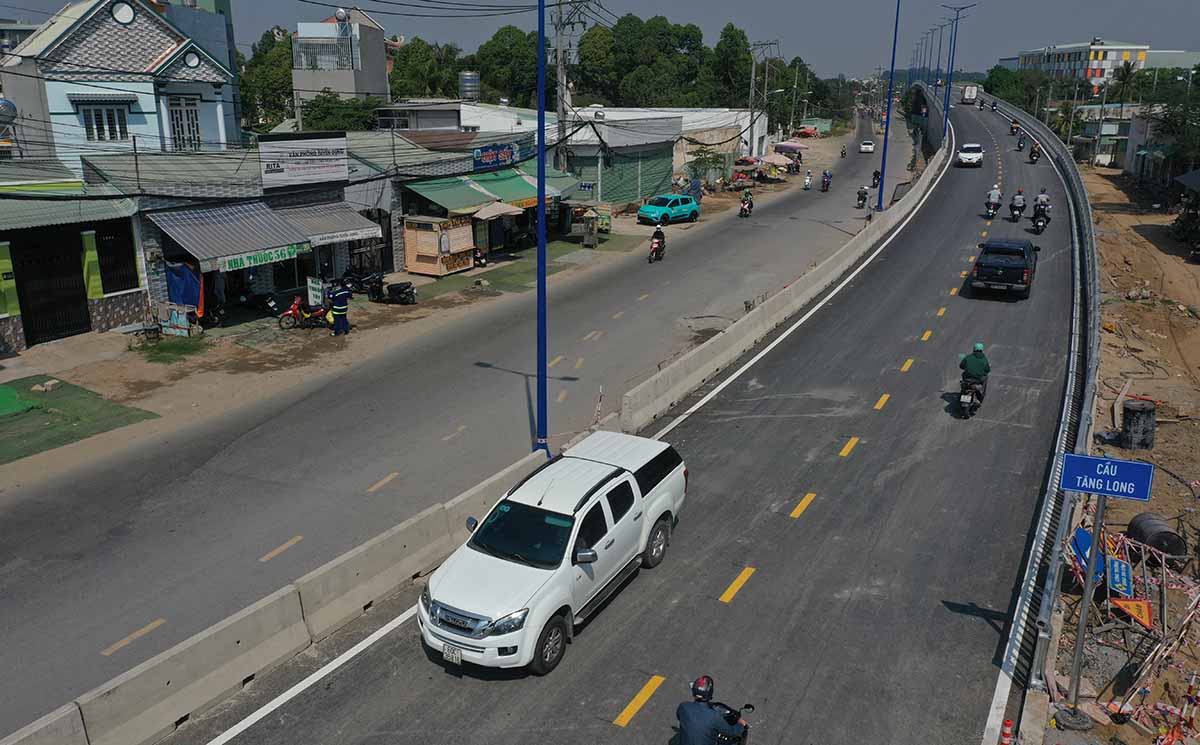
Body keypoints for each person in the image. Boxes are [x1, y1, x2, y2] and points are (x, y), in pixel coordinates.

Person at [676, 676, 745, 745]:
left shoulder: (683, 707)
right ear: (710, 693)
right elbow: (733, 732)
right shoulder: (714, 716)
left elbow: (679, 717)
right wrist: (742, 725)